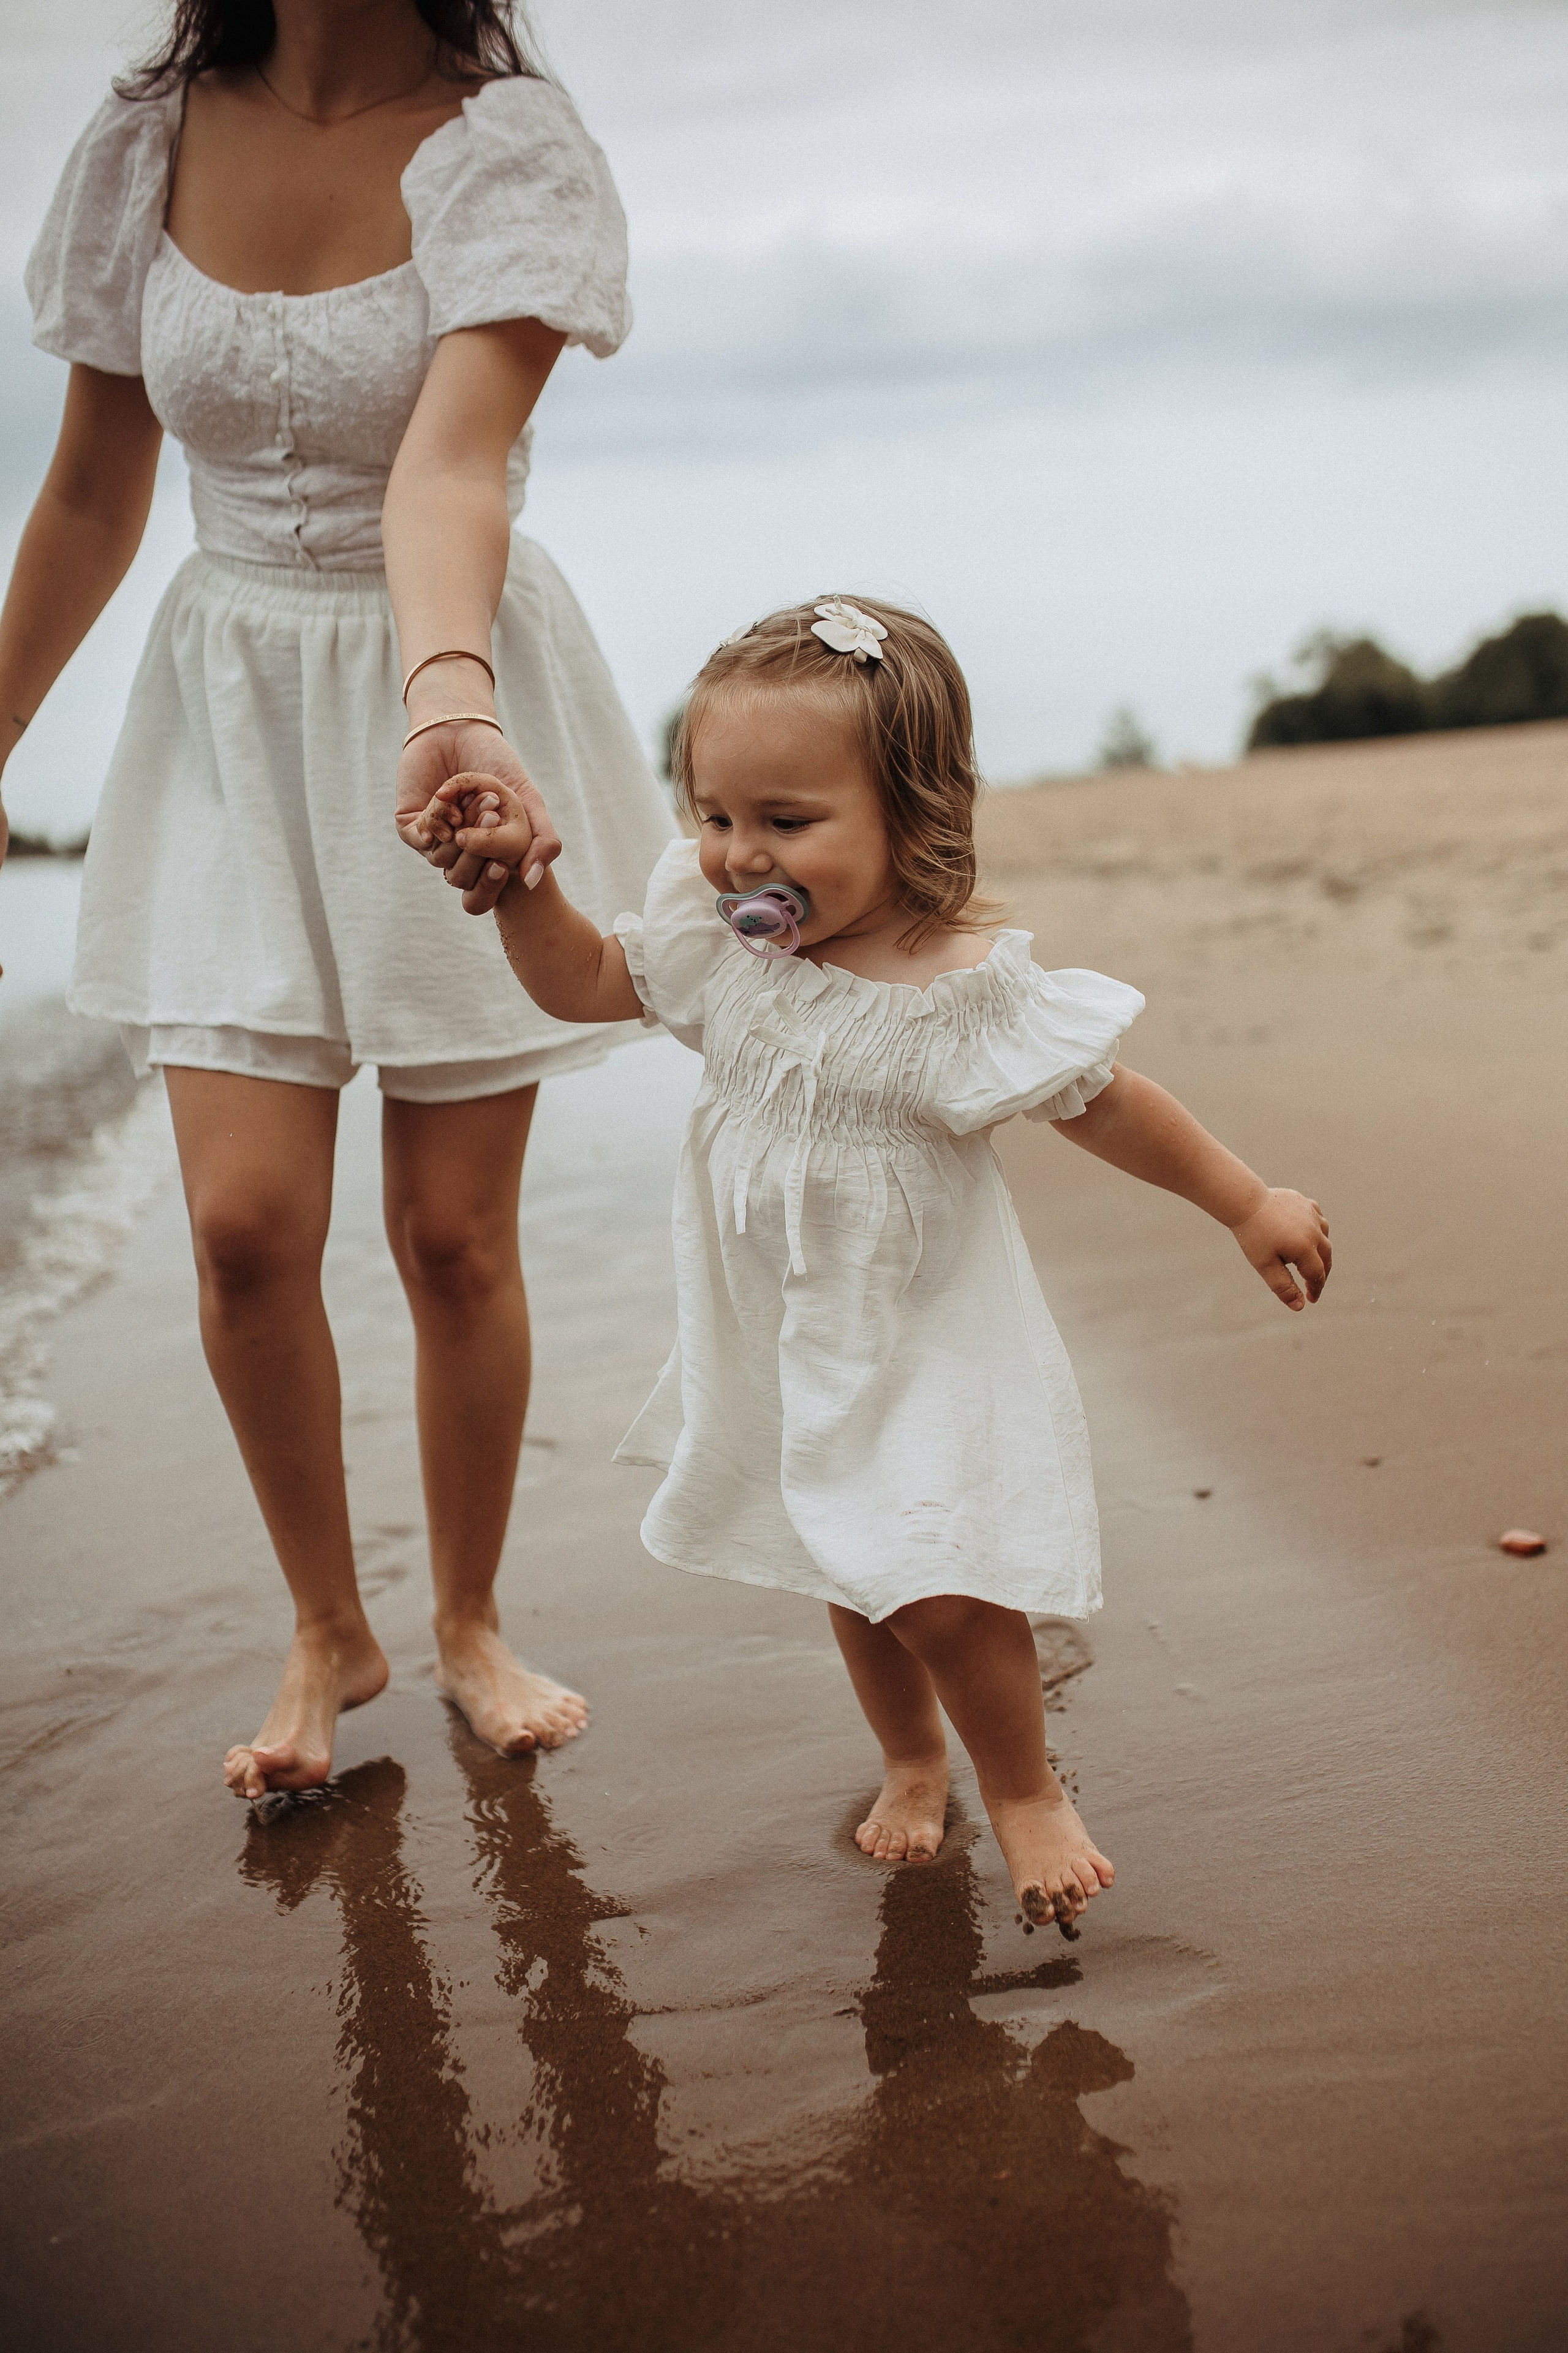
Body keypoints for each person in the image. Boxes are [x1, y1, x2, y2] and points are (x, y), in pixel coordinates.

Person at [409, 596, 1333, 1935]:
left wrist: (1246, 1203)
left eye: (786, 822)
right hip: (792, 1328)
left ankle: (1022, 1788)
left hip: (919, 1335)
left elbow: (1106, 1103)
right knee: (844, 1566)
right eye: (715, 814)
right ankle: (911, 1756)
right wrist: (524, 892)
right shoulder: (725, 951)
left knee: (938, 1582)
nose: (739, 855)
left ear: (911, 812)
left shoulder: (955, 988)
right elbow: (585, 982)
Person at [0, 1, 674, 1799]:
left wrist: (446, 697)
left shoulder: (508, 145)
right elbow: (90, 491)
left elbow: (447, 470)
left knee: (451, 1234)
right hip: (225, 716)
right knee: (241, 1225)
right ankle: (326, 1628)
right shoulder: (145, 137)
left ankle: (469, 1618)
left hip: (450, 690)